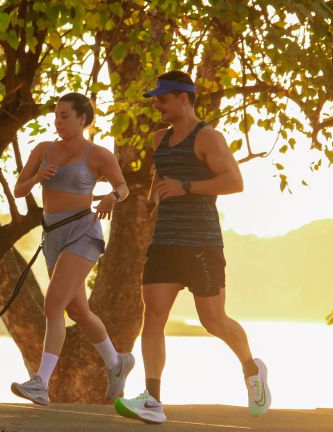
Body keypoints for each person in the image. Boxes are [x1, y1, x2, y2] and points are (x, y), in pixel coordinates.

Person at [114, 71, 271, 424]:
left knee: (213, 321)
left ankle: (252, 369)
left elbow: (234, 181)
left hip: (202, 243)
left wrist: (186, 188)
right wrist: (152, 201)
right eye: (155, 99)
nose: (157, 105)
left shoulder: (208, 138)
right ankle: (152, 400)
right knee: (152, 317)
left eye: (162, 99)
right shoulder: (160, 139)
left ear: (184, 98)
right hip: (166, 242)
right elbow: (161, 174)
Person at [11, 92, 134, 405]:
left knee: (53, 306)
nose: (58, 121)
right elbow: (19, 189)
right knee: (77, 310)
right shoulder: (43, 150)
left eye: (65, 115)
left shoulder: (98, 154)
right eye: (56, 115)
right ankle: (116, 362)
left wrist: (111, 198)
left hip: (83, 232)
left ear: (83, 119)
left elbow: (123, 187)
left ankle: (41, 382)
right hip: (53, 235)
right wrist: (38, 176)